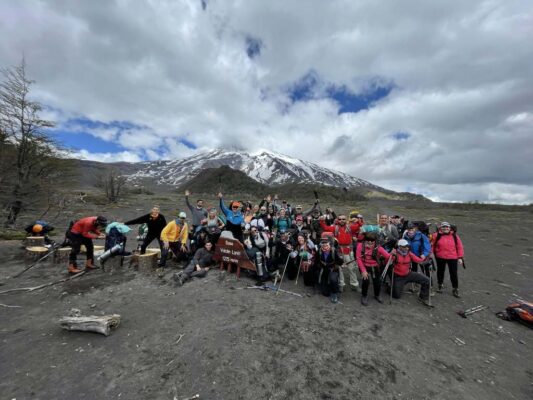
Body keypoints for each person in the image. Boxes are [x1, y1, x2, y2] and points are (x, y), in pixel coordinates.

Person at [383, 239, 432, 306]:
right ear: (399, 246)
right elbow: (386, 263)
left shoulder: (409, 253)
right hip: (398, 277)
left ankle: (423, 297)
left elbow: (419, 260)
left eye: (407, 246)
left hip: (408, 274)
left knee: (426, 280)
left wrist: (427, 260)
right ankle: (389, 287)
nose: (406, 248)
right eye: (404, 246)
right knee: (396, 296)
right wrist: (390, 255)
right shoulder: (395, 254)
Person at [320, 214, 360, 292]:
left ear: (346, 220)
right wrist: (321, 221)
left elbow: (358, 226)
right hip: (339, 250)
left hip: (348, 250)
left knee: (352, 268)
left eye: (343, 219)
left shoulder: (350, 227)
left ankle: (354, 284)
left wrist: (358, 220)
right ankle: (341, 284)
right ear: (338, 220)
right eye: (340, 219)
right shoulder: (335, 228)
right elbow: (325, 227)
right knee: (340, 268)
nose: (341, 220)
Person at [431, 222, 465, 298]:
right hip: (440, 256)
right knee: (440, 271)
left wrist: (460, 257)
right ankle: (440, 284)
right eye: (443, 227)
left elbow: (460, 247)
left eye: (447, 227)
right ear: (441, 228)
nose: (445, 228)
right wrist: (431, 254)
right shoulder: (436, 235)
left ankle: (455, 288)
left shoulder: (455, 236)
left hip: (452, 257)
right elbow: (432, 245)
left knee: (453, 273)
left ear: (450, 228)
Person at [356, 232, 389, 306]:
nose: (370, 243)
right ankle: (364, 295)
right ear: (365, 240)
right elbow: (359, 259)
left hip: (375, 266)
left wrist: (393, 255)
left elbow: (388, 256)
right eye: (368, 241)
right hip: (364, 266)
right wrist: (363, 271)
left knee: (377, 282)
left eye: (372, 242)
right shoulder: (360, 246)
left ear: (375, 241)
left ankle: (377, 294)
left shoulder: (378, 248)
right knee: (366, 281)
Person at [314, 239, 344, 303]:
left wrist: (337, 265)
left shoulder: (334, 251)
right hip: (324, 270)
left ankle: (334, 293)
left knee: (333, 279)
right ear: (321, 246)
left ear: (330, 245)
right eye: (323, 246)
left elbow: (341, 261)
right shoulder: (319, 252)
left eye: (327, 245)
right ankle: (320, 286)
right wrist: (319, 267)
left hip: (333, 269)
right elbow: (316, 262)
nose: (325, 247)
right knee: (325, 293)